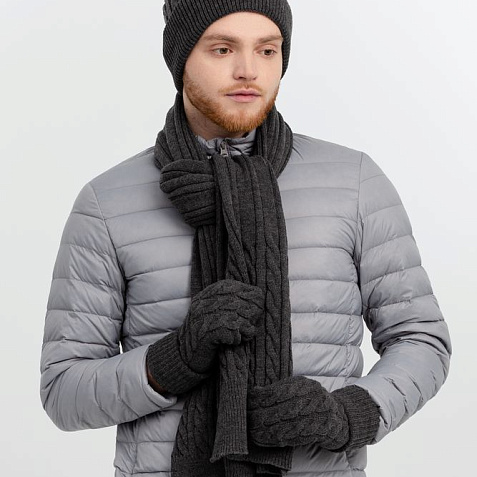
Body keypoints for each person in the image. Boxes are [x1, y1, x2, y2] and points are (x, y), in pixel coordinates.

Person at [39, 1, 452, 476]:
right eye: (222, 49)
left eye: (267, 50)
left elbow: (420, 340)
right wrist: (172, 360)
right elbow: (63, 391)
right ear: (181, 58)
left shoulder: (354, 183)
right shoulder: (108, 202)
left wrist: (349, 415)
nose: (248, 71)